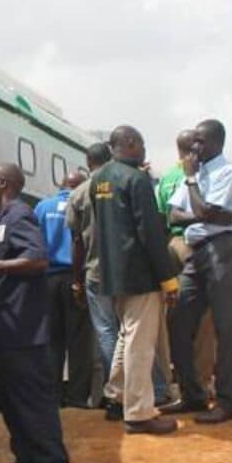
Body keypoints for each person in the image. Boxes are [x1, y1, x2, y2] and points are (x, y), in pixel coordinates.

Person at [0, 163, 71, 463]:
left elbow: (38, 259)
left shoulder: (19, 215)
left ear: (2, 183)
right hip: (6, 331)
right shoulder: (2, 221)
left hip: (24, 333)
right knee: (14, 409)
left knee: (35, 407)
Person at [89, 126, 180, 435]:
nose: (144, 149)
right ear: (129, 143)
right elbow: (151, 234)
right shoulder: (137, 179)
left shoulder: (99, 180)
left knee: (127, 336)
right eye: (141, 143)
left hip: (113, 273)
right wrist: (167, 278)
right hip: (141, 274)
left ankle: (115, 395)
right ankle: (139, 413)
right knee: (140, 343)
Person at [164, 119, 232, 423]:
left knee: (226, 325)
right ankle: (193, 395)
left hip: (223, 248)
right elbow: (175, 213)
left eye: (198, 141)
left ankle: (228, 401)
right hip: (197, 252)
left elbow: (202, 211)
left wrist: (200, 203)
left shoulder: (228, 172)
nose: (192, 148)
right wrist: (209, 214)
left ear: (214, 143)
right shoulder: (195, 175)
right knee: (177, 320)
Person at [157, 129, 216, 398]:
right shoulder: (200, 173)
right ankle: (202, 383)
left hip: (171, 246)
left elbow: (162, 218)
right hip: (195, 245)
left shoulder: (166, 178)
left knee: (175, 316)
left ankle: (180, 383)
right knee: (205, 317)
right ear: (193, 149)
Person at [37, 170, 93, 407]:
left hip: (47, 279)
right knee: (79, 341)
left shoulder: (42, 207)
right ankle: (78, 398)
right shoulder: (83, 204)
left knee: (52, 341)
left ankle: (52, 396)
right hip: (76, 276)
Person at [68, 144, 118, 407]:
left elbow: (76, 241)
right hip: (126, 272)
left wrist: (76, 280)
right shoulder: (123, 181)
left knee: (106, 331)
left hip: (96, 271)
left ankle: (114, 393)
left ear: (88, 162)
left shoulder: (78, 193)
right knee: (128, 331)